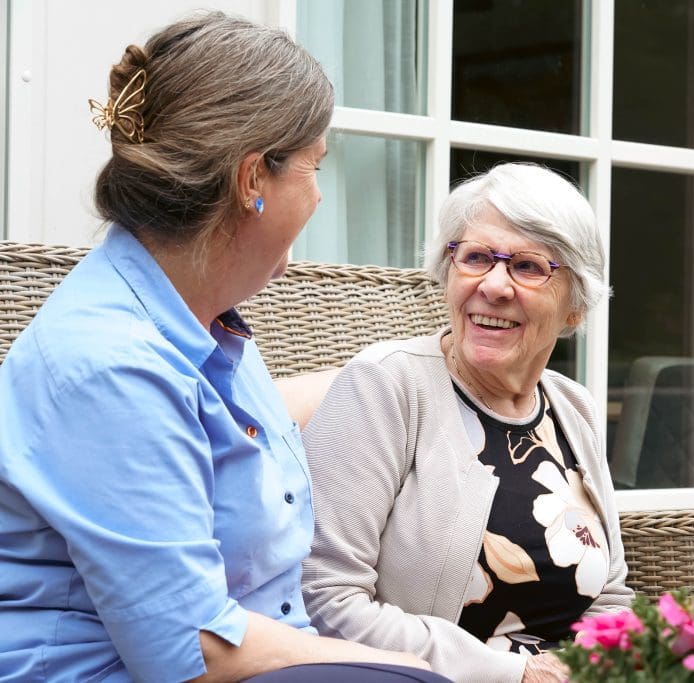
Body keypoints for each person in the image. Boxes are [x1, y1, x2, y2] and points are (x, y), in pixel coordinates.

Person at [0, 12, 449, 683]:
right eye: (314, 164)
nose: (322, 193)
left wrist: (419, 372)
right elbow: (193, 649)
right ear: (251, 180)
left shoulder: (195, 317)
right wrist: (406, 664)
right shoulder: (110, 363)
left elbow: (229, 426)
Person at [300, 162, 634, 683]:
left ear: (575, 307)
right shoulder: (385, 387)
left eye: (527, 267)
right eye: (476, 258)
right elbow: (323, 596)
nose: (494, 286)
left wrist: (590, 668)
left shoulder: (574, 408)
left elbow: (611, 594)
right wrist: (515, 675)